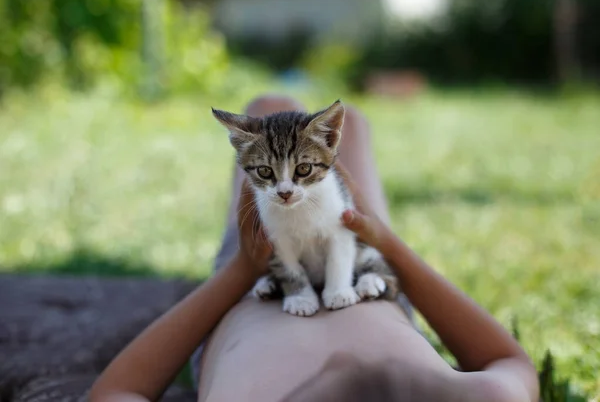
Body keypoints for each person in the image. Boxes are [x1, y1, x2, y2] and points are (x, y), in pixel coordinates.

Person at [89, 95, 539, 402]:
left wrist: (242, 273)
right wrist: (387, 244)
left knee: (268, 111)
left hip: (255, 276)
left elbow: (113, 392)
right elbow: (509, 361)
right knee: (346, 126)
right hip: (371, 275)